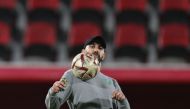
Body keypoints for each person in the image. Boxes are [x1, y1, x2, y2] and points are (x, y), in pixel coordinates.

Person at [45, 36, 131, 109]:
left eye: (100, 48)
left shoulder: (112, 82)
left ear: (104, 56)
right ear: (83, 52)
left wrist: (123, 101)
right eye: (92, 46)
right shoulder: (71, 75)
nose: (96, 50)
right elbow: (52, 106)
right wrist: (53, 92)